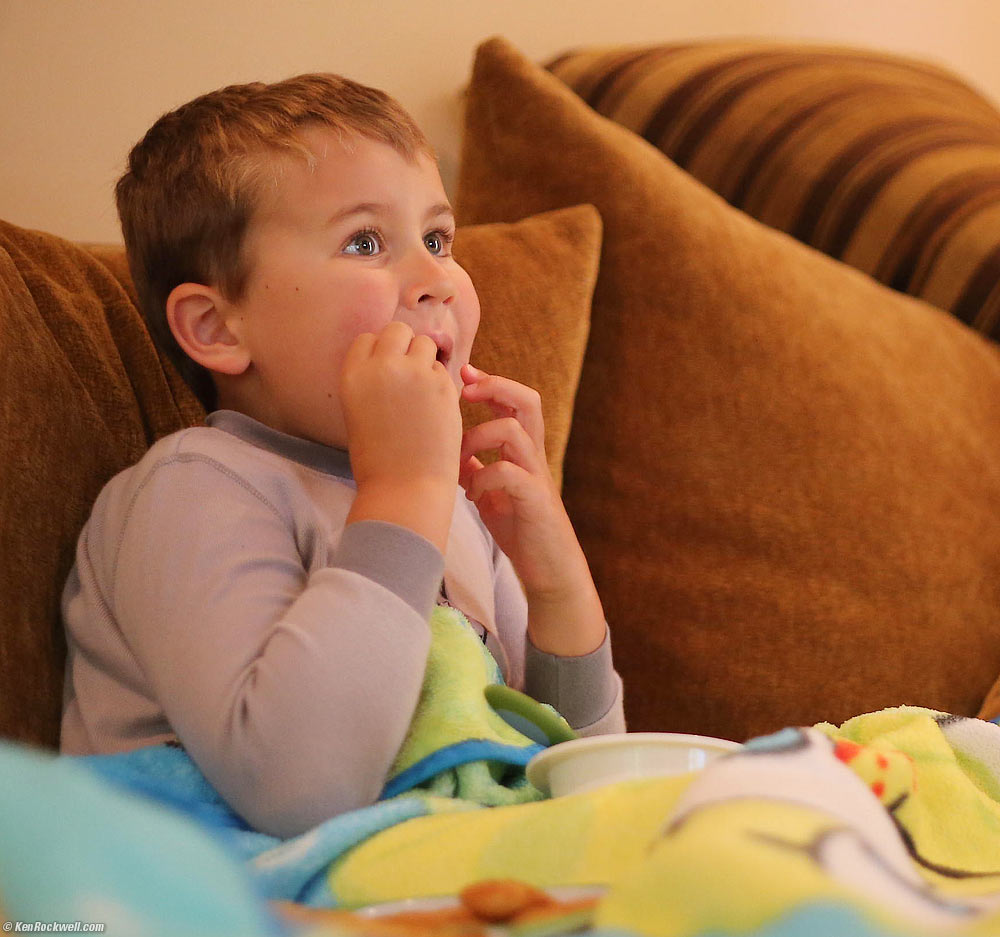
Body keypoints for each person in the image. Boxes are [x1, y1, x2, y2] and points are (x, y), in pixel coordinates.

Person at [60, 73, 624, 838]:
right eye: (365, 241)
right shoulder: (193, 488)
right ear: (219, 328)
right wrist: (405, 489)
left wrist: (557, 583)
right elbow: (298, 790)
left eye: (437, 238)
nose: (438, 280)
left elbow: (590, 786)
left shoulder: (458, 506)